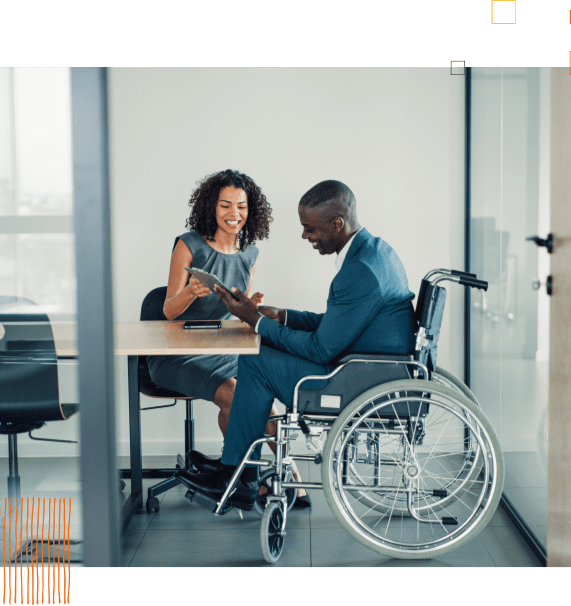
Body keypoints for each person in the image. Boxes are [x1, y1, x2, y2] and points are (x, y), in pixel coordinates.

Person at [178, 179, 417, 511]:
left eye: (310, 228)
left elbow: (322, 349)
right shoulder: (376, 251)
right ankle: (238, 473)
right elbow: (343, 323)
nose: (306, 236)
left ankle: (237, 475)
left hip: (357, 379)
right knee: (260, 353)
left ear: (337, 223)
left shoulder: (359, 271)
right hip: (366, 363)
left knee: (256, 361)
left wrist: (256, 321)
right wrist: (284, 316)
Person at [148, 169, 309, 505]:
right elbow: (168, 311)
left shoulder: (249, 252)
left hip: (222, 347)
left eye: (241, 206)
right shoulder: (188, 244)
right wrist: (191, 291)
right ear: (212, 207)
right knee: (237, 397)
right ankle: (242, 479)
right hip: (177, 354)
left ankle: (288, 478)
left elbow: (233, 312)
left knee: (270, 405)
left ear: (252, 211)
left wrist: (249, 308)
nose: (234, 214)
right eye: (225, 205)